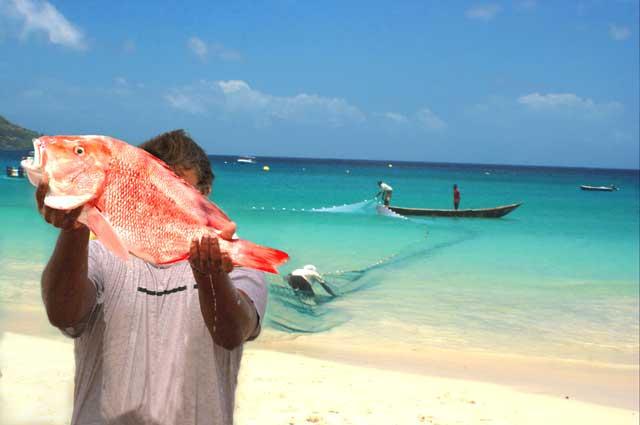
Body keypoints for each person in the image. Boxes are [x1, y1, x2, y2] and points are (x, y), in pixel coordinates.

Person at [36, 129, 266, 424]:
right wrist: (75, 227)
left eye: (176, 189)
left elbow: (232, 332)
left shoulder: (234, 262)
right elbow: (63, 313)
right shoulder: (101, 253)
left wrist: (210, 275)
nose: (161, 201)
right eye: (151, 189)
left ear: (204, 195)